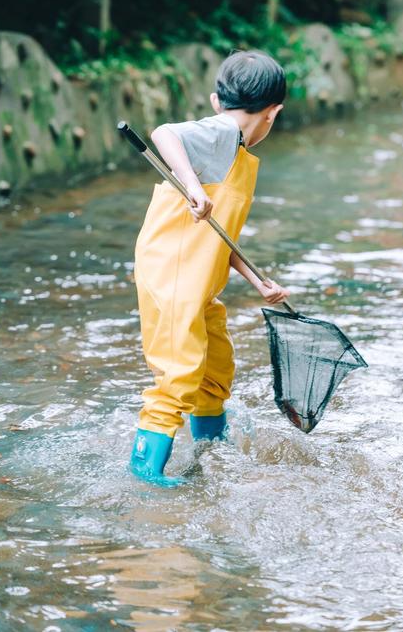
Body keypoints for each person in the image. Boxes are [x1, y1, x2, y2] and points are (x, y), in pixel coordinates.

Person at [129, 50, 290, 485]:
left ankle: (210, 449)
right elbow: (164, 132)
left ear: (218, 99)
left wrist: (256, 279)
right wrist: (194, 186)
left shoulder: (233, 146)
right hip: (173, 273)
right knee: (180, 370)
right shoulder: (223, 131)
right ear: (273, 113)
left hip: (198, 280)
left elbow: (218, 231)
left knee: (216, 368)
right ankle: (145, 470)